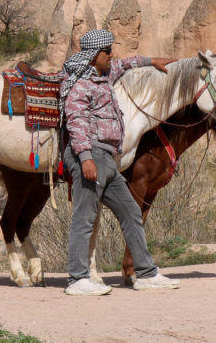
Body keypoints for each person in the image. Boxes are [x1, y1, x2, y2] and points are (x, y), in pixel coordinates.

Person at [60, 29, 180, 296]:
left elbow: (126, 64)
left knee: (130, 212)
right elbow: (77, 124)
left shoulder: (104, 75)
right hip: (90, 156)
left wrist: (153, 61)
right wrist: (86, 158)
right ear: (93, 56)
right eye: (107, 52)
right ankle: (77, 279)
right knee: (84, 217)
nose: (111, 56)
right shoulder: (81, 85)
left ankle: (146, 274)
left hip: (107, 160)